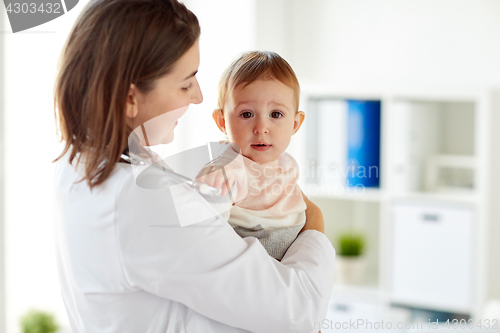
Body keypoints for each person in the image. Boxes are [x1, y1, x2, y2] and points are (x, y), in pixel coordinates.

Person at [53, 0, 335, 332]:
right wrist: (314, 224)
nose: (198, 96)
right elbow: (295, 312)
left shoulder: (79, 162)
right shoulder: (142, 199)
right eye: (186, 83)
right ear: (131, 97)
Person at [197, 51, 308, 261]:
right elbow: (207, 237)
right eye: (247, 114)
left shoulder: (286, 163)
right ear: (222, 122)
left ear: (295, 124)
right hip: (250, 255)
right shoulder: (228, 167)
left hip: (290, 252)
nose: (261, 128)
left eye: (276, 114)